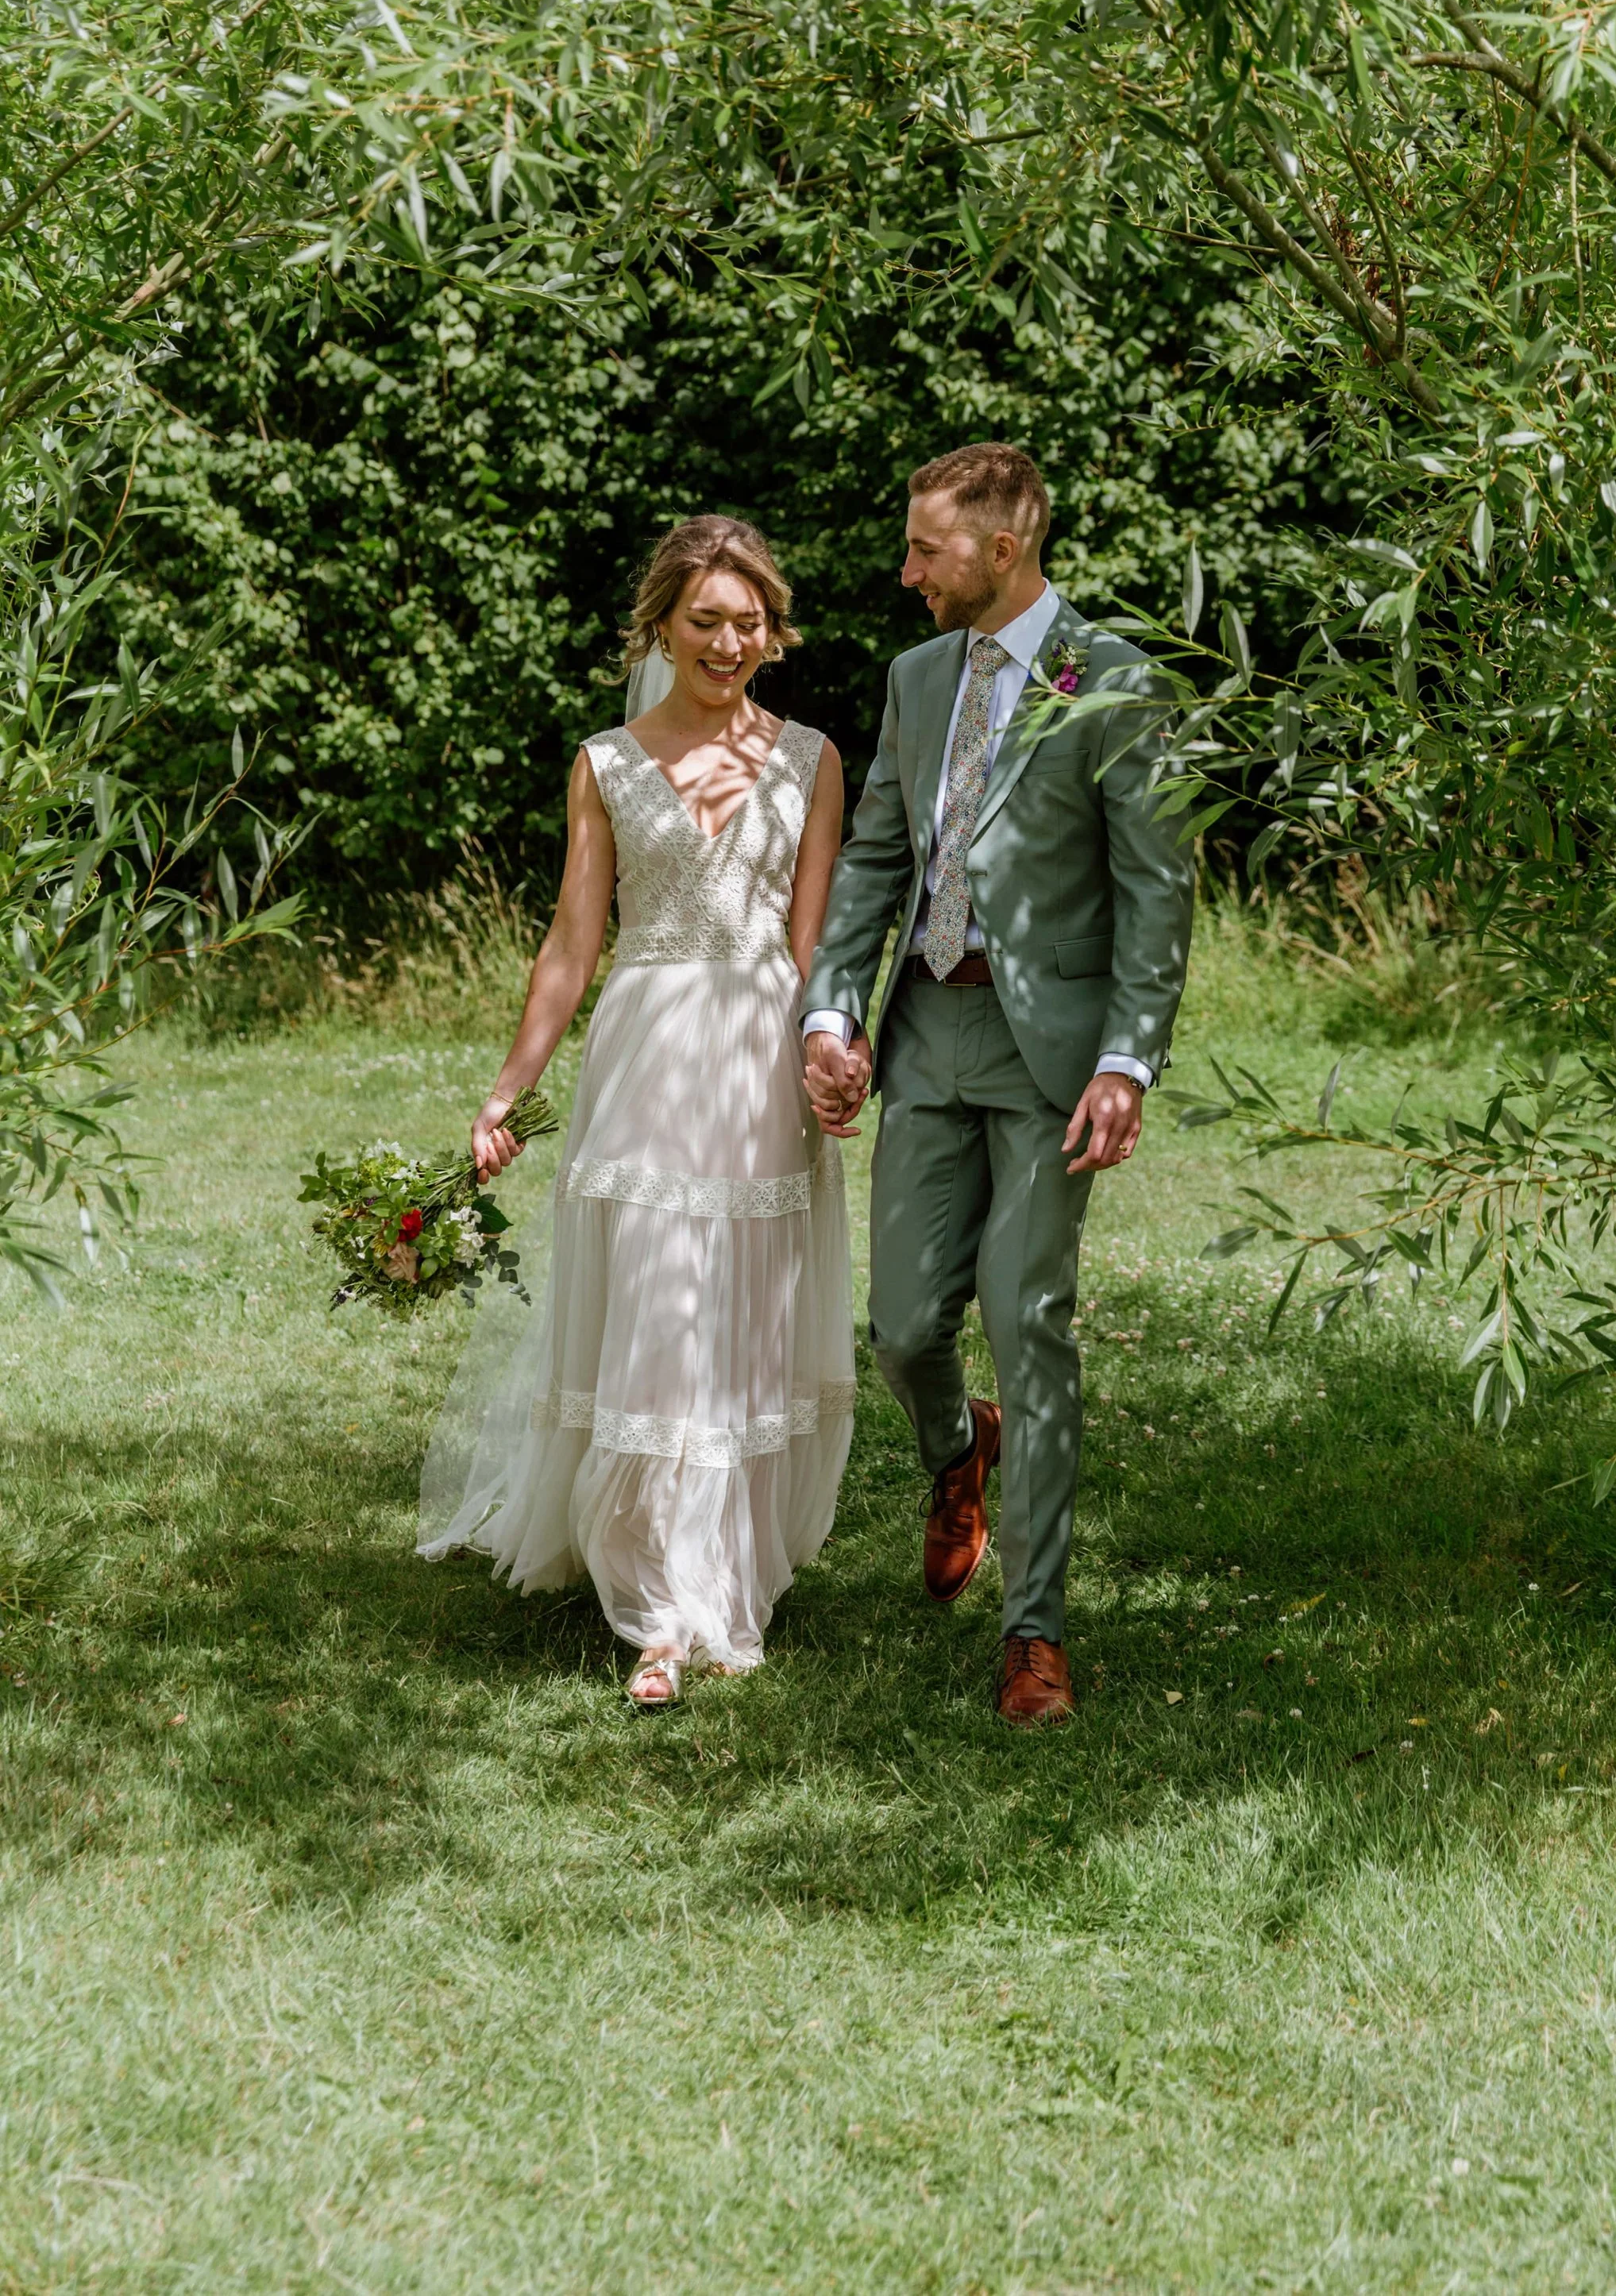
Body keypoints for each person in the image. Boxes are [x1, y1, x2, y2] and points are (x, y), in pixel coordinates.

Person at [418, 516, 855, 1708]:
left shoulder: (813, 757)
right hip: (649, 1052)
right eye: (704, 619)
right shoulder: (606, 760)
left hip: (762, 1061)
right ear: (660, 623)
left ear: (775, 627)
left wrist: (840, 1048)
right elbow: (573, 940)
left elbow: (815, 937)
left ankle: (729, 1567)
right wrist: (510, 1085)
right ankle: (662, 1608)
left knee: (747, 1311)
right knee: (661, 1307)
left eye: (748, 620)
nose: (728, 642)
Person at [801, 443, 1194, 1727]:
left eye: (928, 547)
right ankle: (956, 1448)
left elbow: (1155, 882)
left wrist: (1128, 1058)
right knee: (904, 1326)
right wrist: (831, 1009)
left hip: (1051, 1060)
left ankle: (1036, 1633)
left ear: (1005, 546)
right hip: (926, 1038)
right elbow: (872, 860)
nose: (908, 570)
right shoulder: (917, 679)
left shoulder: (1111, 679)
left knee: (1033, 1325)